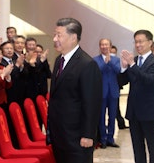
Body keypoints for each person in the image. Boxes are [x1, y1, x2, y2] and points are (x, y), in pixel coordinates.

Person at [47, 18, 102, 163]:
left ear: (73, 37)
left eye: (59, 35)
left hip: (77, 137)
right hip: (59, 134)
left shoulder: (87, 64)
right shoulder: (59, 60)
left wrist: (88, 135)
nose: (55, 39)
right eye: (55, 34)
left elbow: (91, 103)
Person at [120, 29, 154, 163]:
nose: (137, 45)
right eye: (136, 42)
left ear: (150, 42)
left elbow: (148, 80)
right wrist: (123, 68)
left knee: (153, 145)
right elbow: (121, 82)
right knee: (137, 147)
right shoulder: (135, 61)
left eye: (140, 42)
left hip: (150, 112)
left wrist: (132, 65)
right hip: (134, 112)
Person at [93, 38, 121, 148]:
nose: (104, 46)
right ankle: (103, 139)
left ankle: (111, 138)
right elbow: (97, 72)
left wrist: (110, 62)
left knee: (112, 116)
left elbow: (118, 70)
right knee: (101, 116)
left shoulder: (116, 59)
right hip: (101, 92)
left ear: (110, 46)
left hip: (113, 92)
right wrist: (105, 63)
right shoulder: (95, 60)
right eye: (102, 45)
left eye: (106, 44)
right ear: (100, 47)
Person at [110, 45, 129, 130]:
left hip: (115, 88)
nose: (112, 54)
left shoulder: (118, 62)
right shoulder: (101, 61)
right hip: (104, 90)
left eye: (114, 53)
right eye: (111, 52)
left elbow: (121, 75)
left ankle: (121, 124)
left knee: (116, 108)